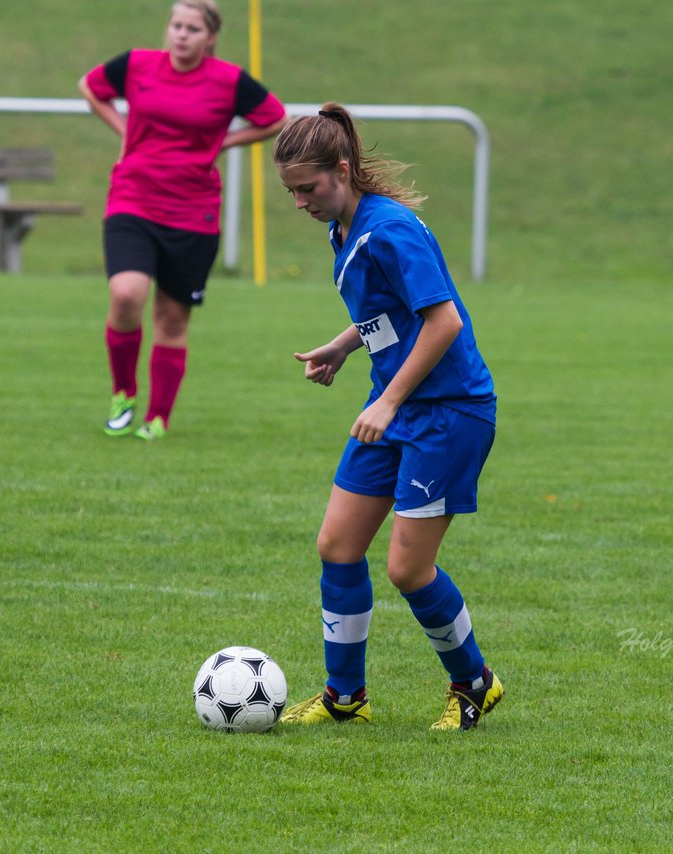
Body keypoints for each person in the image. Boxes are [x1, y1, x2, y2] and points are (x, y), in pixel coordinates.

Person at [272, 104, 503, 730]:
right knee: (338, 546)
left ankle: (474, 682)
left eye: (308, 188)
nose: (300, 202)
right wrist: (343, 347)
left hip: (447, 412)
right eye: (291, 191)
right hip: (398, 407)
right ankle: (345, 696)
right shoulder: (344, 227)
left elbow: (444, 319)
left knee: (407, 568)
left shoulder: (391, 229)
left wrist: (389, 399)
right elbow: (390, 310)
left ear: (342, 170)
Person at [79, 0, 287, 440]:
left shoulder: (228, 80)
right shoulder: (137, 64)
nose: (181, 34)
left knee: (172, 319)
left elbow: (274, 118)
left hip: (193, 211)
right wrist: (124, 130)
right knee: (125, 294)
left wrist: (224, 143)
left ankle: (158, 418)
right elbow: (91, 87)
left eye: (192, 28)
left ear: (210, 37)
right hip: (133, 198)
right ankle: (123, 394)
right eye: (176, 25)